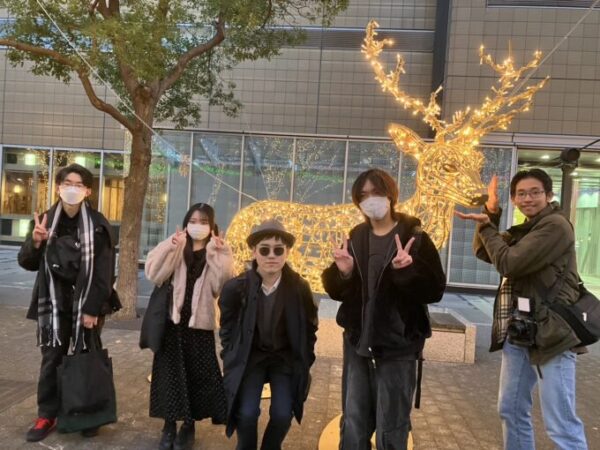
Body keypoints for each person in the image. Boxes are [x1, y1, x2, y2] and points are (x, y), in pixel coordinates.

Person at [456, 169, 588, 450]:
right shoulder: (527, 229)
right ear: (514, 200)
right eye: (521, 194)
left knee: (561, 424)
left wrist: (488, 228)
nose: (528, 198)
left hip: (553, 334)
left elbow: (510, 263)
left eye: (535, 192)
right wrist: (491, 215)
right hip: (521, 329)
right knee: (511, 409)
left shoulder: (555, 226)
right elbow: (485, 251)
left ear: (548, 195)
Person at [322, 168, 446, 450]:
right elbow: (337, 290)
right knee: (354, 421)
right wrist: (344, 272)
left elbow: (435, 290)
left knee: (392, 424)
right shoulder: (356, 237)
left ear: (391, 195)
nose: (371, 200)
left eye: (376, 192)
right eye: (363, 195)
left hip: (398, 345)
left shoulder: (416, 237)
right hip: (357, 342)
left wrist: (407, 272)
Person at [18, 163, 120, 442]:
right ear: (58, 187)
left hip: (87, 303)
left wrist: (91, 309)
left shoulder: (98, 224)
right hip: (53, 304)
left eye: (78, 185)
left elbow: (104, 272)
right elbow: (27, 262)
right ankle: (47, 414)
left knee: (86, 357)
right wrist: (35, 243)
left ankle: (88, 412)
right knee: (52, 359)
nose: (72, 189)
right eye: (67, 183)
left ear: (88, 191)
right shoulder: (45, 220)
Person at [219, 219, 318, 450]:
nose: (271, 256)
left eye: (278, 250)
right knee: (246, 413)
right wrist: (231, 354)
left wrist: (305, 357)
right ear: (254, 252)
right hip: (250, 358)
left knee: (283, 414)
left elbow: (310, 326)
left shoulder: (299, 288)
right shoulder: (237, 287)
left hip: (284, 359)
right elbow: (227, 327)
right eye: (264, 249)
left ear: (287, 252)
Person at [145, 202, 234, 450]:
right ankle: (168, 425)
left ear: (212, 226)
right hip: (172, 323)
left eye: (204, 222)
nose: (198, 226)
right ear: (186, 223)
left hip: (199, 327)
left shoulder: (216, 249)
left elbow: (222, 287)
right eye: (193, 221)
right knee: (169, 376)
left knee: (196, 377)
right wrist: (170, 246)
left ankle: (188, 425)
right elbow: (153, 273)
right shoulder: (177, 244)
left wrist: (220, 254)